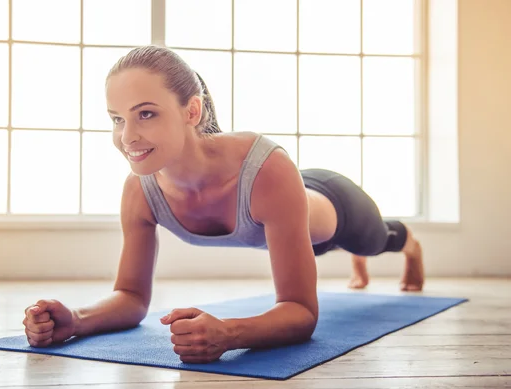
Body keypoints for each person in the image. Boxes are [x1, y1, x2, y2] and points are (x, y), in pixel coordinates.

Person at [22, 45, 424, 363]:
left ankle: (410, 246)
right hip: (285, 227)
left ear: (191, 111)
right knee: (332, 248)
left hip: (334, 206)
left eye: (146, 114)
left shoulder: (267, 169)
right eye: (116, 119)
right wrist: (76, 320)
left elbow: (301, 311)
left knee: (376, 241)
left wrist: (229, 333)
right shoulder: (139, 191)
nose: (127, 136)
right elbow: (130, 296)